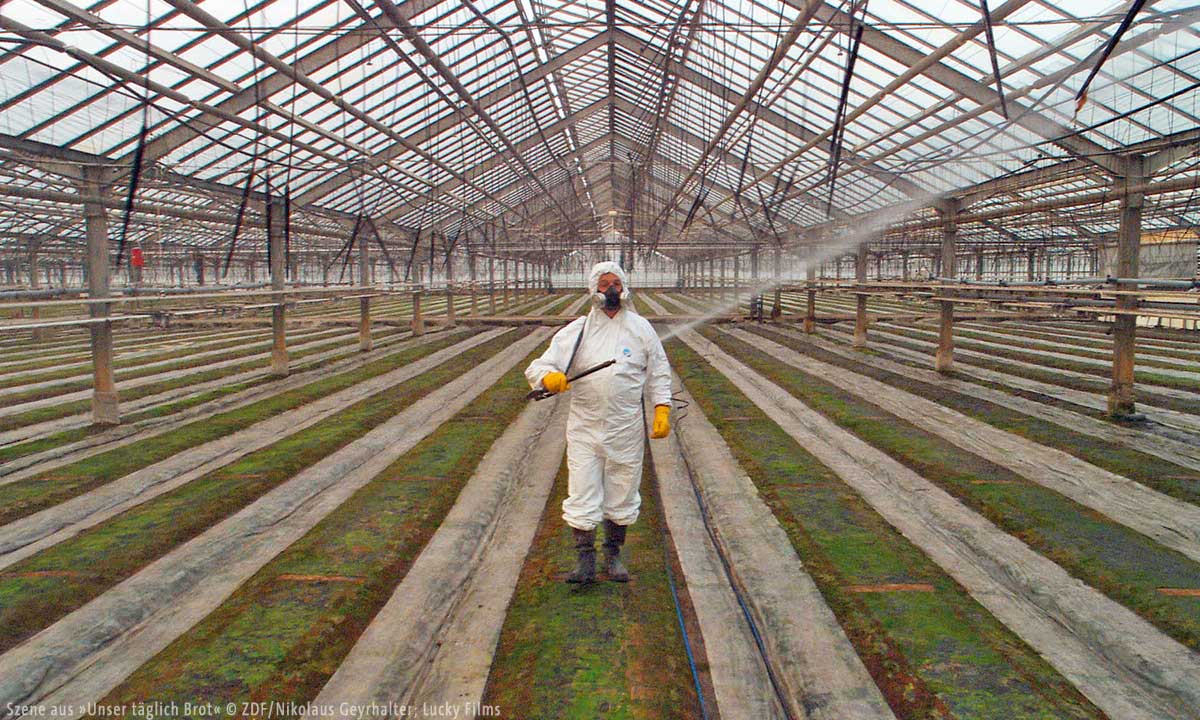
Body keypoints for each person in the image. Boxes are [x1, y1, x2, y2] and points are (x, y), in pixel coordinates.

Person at [525, 261, 672, 584]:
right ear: (593, 290)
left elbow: (658, 371)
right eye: (604, 284)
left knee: (622, 488)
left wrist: (662, 407)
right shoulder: (577, 331)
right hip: (585, 427)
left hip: (626, 427)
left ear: (625, 287)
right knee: (582, 489)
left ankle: (614, 555)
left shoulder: (640, 328)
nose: (611, 290)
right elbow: (539, 365)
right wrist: (548, 377)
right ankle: (585, 560)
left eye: (615, 283)